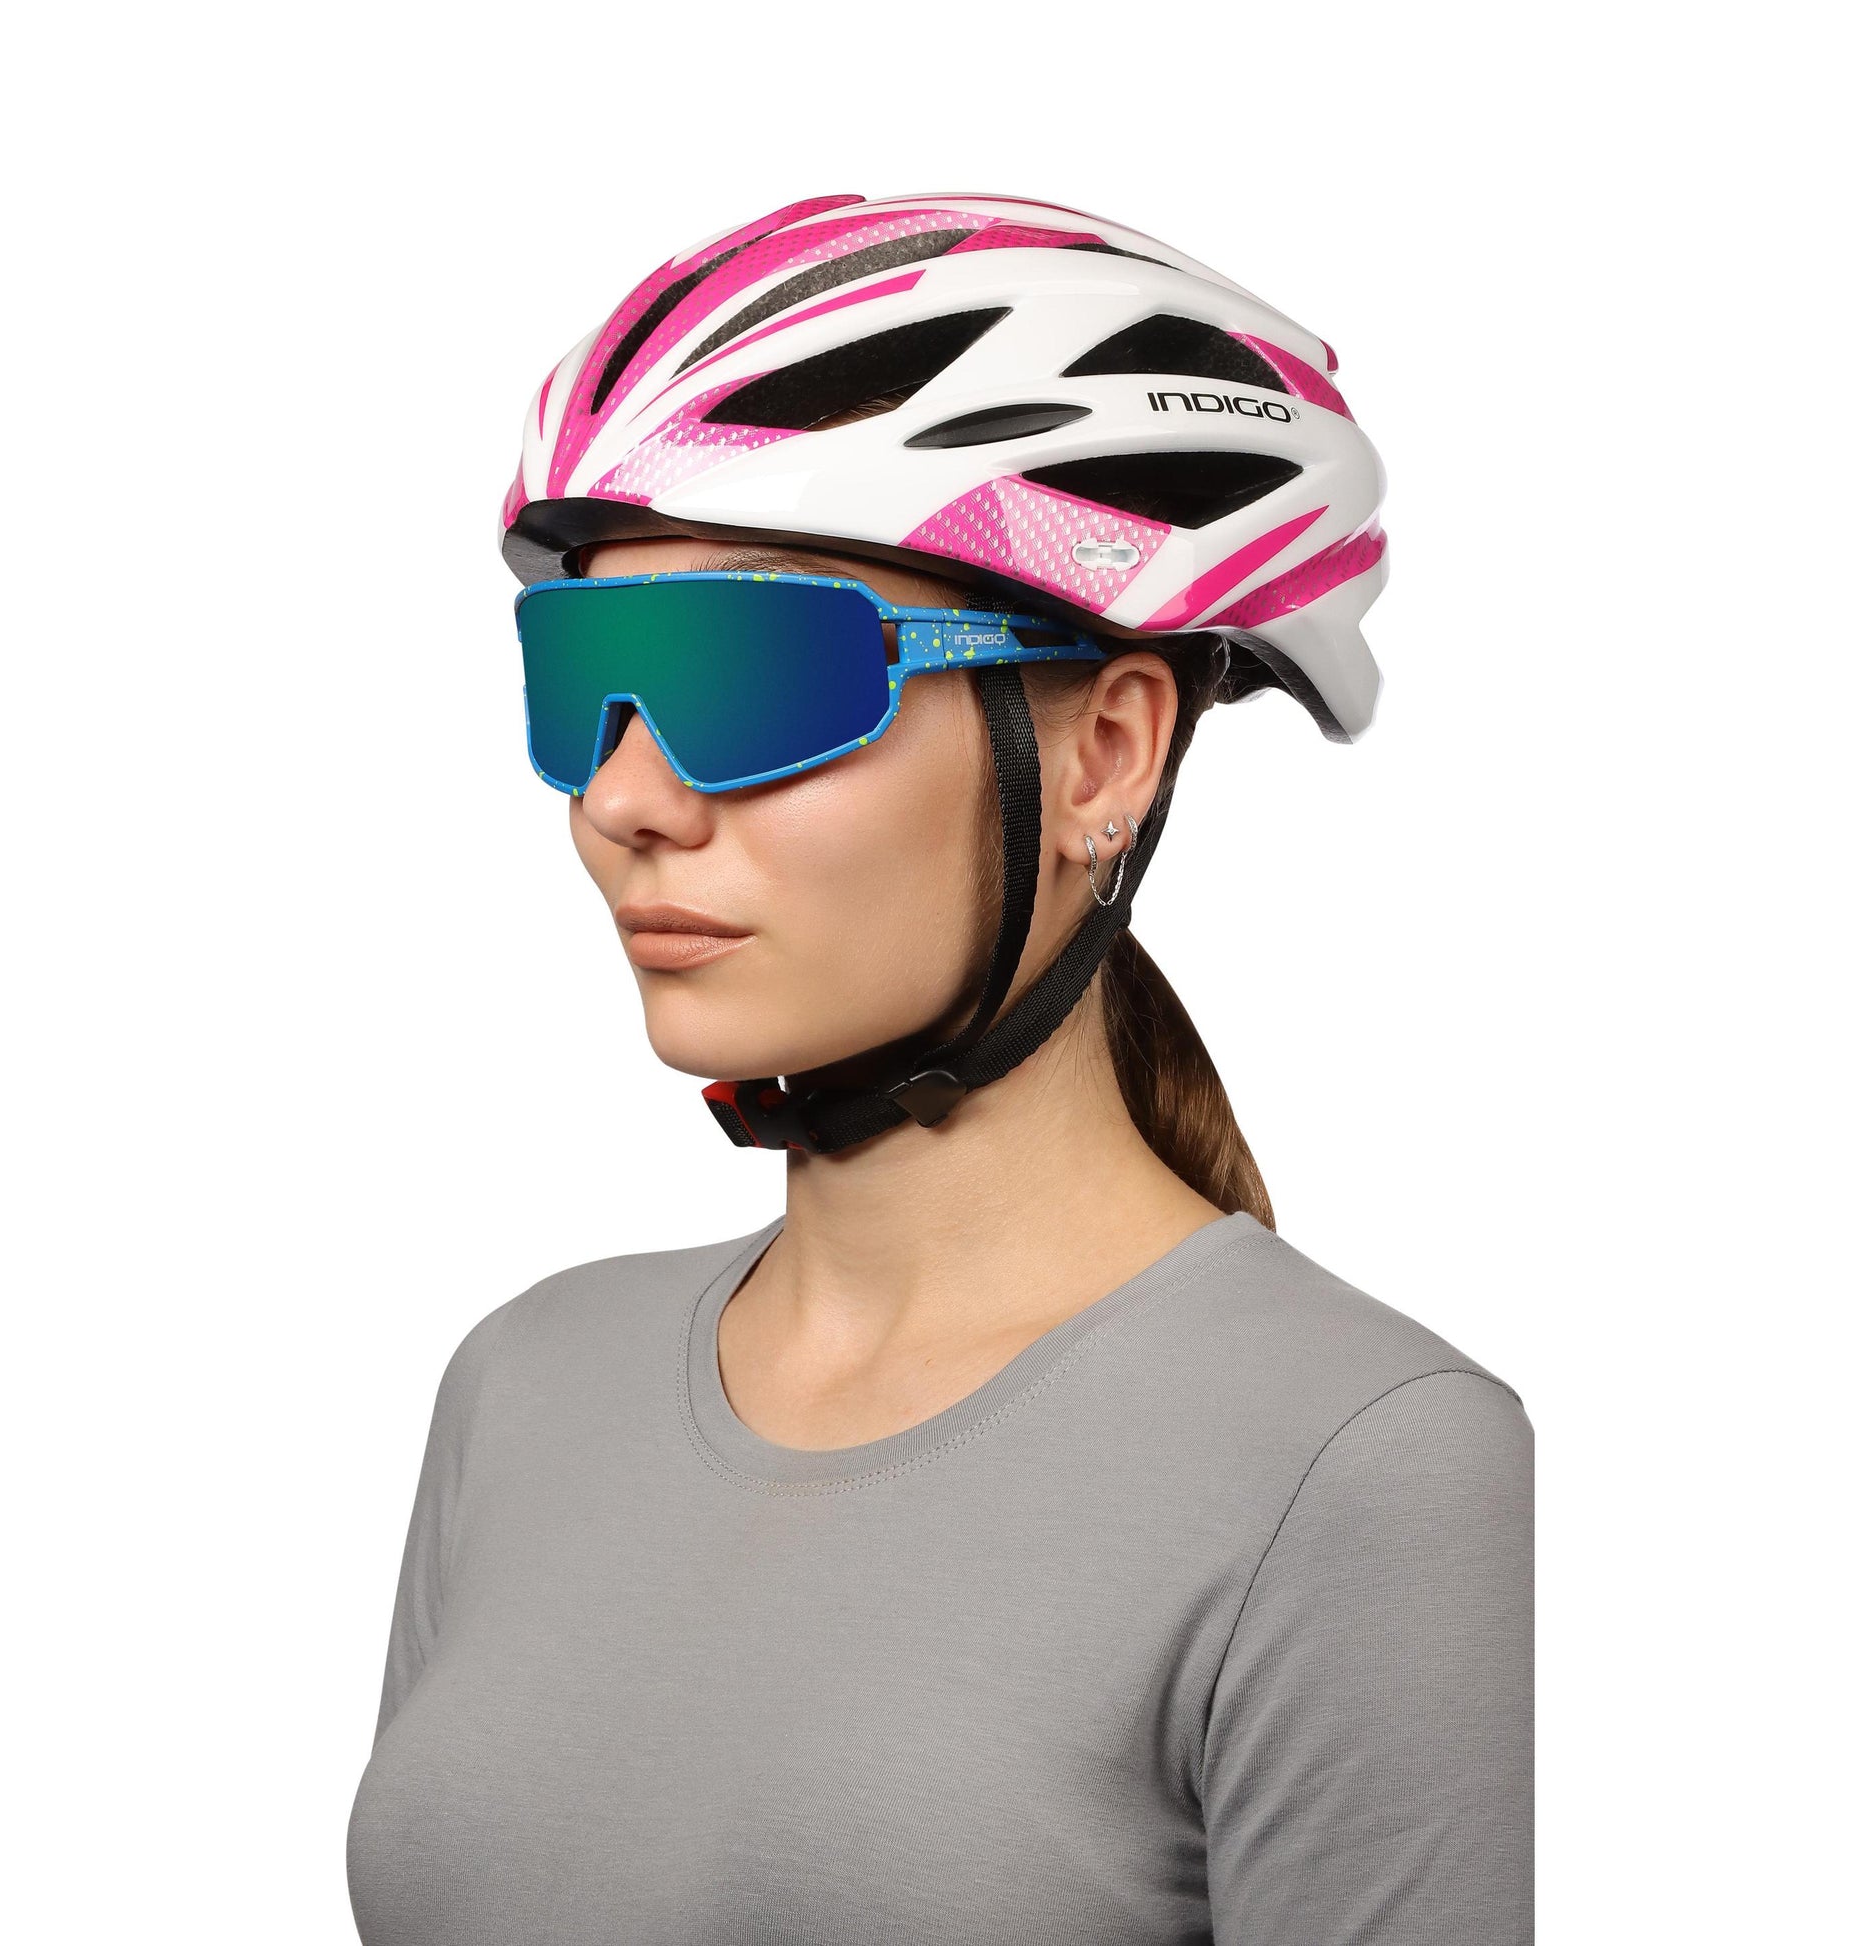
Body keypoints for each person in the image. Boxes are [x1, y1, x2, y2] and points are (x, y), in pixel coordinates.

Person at [346, 192, 1533, 1945]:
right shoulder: (524, 1384)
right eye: (585, 678)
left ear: (1105, 754)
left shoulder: (1363, 1460)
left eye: (746, 676)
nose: (623, 799)